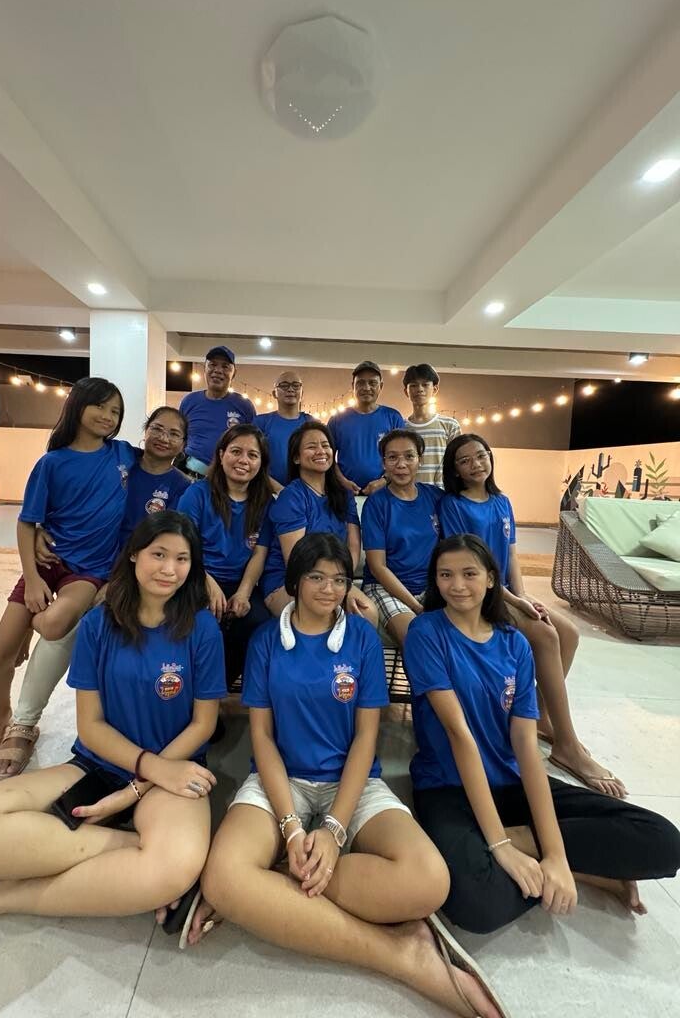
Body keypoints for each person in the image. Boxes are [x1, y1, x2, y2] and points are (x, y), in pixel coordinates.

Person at [183, 533, 507, 1018]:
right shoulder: (267, 640)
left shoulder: (360, 638)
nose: (329, 589)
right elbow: (263, 739)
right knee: (223, 878)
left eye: (339, 580)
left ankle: (273, 880)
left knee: (428, 882)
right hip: (281, 781)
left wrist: (334, 830)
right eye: (316, 577)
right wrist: (292, 827)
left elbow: (365, 739)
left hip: (353, 783)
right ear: (295, 581)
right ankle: (401, 955)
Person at [0, 513, 227, 934]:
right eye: (158, 554)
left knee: (170, 868)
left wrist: (138, 788)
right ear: (134, 555)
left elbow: (203, 725)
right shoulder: (98, 624)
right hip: (99, 765)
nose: (169, 569)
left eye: (182, 559)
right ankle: (134, 848)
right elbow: (91, 725)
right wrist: (137, 777)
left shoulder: (202, 629)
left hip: (175, 769)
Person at [405, 534, 680, 936]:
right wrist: (499, 847)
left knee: (664, 842)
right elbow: (459, 735)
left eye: (469, 574)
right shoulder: (426, 633)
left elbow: (525, 744)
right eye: (445, 575)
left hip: (510, 782)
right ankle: (590, 872)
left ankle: (529, 846)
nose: (457, 585)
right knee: (478, 905)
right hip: (448, 787)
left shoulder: (514, 643)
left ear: (491, 579)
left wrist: (553, 854)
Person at [0, 406, 192, 780]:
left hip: (128, 576)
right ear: (144, 431)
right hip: (77, 563)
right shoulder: (117, 459)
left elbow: (170, 545)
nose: (164, 438)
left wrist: (120, 581)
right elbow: (64, 495)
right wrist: (40, 531)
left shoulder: (182, 488)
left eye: (174, 433)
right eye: (157, 429)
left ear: (184, 444)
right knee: (55, 628)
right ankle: (22, 722)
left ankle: (28, 719)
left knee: (74, 628)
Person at [439, 433, 626, 798]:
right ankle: (567, 745)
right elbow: (465, 562)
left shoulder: (501, 501)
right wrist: (512, 599)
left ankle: (540, 715)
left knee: (569, 633)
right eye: (465, 460)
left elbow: (511, 556)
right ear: (455, 470)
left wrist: (523, 596)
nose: (476, 464)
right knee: (545, 635)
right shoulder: (453, 505)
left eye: (481, 455)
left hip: (507, 592)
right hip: (480, 594)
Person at [0, 377, 135, 776]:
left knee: (55, 624)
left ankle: (31, 630)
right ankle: (0, 713)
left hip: (89, 571)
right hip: (46, 564)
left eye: (115, 411)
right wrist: (32, 578)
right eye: (101, 407)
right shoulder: (52, 463)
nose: (108, 417)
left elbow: (174, 457)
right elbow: (27, 522)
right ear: (77, 406)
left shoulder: (124, 455)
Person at [178, 424, 272, 687]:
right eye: (236, 451)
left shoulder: (266, 502)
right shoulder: (197, 494)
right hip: (198, 577)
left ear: (261, 463)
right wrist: (207, 584)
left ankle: (216, 693)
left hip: (242, 582)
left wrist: (243, 593)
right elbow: (184, 547)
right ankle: (191, 693)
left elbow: (259, 553)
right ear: (221, 455)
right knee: (204, 622)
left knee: (258, 622)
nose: (243, 460)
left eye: (253, 455)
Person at [261, 421, 377, 627]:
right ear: (296, 458)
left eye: (325, 445)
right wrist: (332, 587)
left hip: (336, 578)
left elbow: (353, 546)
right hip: (291, 580)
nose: (321, 451)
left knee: (367, 613)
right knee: (323, 614)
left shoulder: (344, 495)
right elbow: (295, 559)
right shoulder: (292, 497)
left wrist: (341, 583)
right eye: (311, 446)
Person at [362, 429, 443, 647]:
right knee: (417, 642)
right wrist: (416, 608)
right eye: (392, 457)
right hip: (385, 588)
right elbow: (378, 567)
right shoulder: (376, 504)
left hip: (431, 587)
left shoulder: (436, 497)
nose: (401, 464)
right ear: (383, 464)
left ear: (420, 460)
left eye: (409, 456)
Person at [328, 361, 405, 495]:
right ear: (353, 386)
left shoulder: (393, 417)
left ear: (381, 386)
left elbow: (401, 457)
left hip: (385, 493)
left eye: (372, 383)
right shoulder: (337, 420)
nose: (366, 387)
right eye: (360, 383)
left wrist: (384, 481)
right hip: (345, 494)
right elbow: (327, 457)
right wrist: (342, 482)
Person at [179, 346, 255, 477]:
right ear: (205, 369)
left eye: (225, 367)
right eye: (212, 365)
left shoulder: (244, 405)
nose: (218, 370)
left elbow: (252, 444)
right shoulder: (189, 401)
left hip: (229, 480)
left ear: (233, 373)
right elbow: (180, 438)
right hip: (190, 476)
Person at [253, 369, 313, 492]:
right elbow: (252, 460)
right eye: (284, 385)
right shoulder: (261, 423)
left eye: (296, 385)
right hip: (268, 492)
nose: (290, 389)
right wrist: (278, 489)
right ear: (274, 393)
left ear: (302, 392)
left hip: (304, 493)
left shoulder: (311, 423)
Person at [402, 363, 461, 487]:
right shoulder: (400, 427)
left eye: (425, 384)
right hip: (407, 494)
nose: (420, 389)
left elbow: (458, 463)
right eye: (413, 385)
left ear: (435, 389)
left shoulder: (450, 425)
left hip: (441, 494)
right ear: (406, 391)